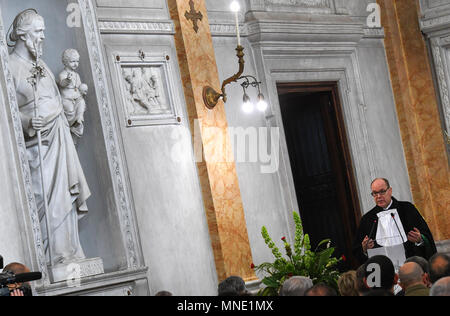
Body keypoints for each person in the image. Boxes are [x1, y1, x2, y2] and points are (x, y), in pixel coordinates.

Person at [8, 9, 91, 266]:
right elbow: (6, 115)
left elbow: (56, 98)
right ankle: (46, 257)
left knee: (63, 197)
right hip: (37, 148)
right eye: (39, 31)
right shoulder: (8, 66)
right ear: (23, 34)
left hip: (58, 139)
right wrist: (25, 122)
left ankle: (66, 254)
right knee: (43, 197)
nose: (44, 36)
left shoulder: (41, 65)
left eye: (44, 30)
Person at [352, 178, 436, 265]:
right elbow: (357, 249)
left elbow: (426, 236)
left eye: (382, 191)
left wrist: (420, 239)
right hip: (383, 270)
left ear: (390, 191)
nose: (378, 196)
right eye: (375, 193)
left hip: (410, 266)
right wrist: (364, 249)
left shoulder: (407, 209)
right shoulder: (367, 219)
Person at [57, 48, 88, 142]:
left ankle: (79, 118)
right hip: (67, 98)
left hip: (76, 97)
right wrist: (67, 80)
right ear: (66, 62)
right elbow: (62, 84)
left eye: (77, 61)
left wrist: (83, 89)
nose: (75, 64)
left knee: (81, 103)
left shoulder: (76, 75)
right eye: (72, 61)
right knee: (69, 109)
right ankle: (71, 122)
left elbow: (78, 86)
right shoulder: (63, 74)